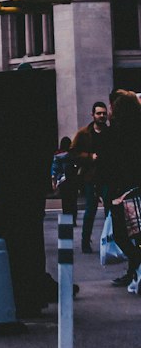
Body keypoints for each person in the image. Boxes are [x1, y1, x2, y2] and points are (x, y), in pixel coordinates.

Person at [98, 91, 141, 290]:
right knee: (137, 234)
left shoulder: (112, 132)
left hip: (120, 191)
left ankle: (135, 265)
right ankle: (134, 269)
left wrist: (102, 187)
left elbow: (106, 163)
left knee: (122, 234)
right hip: (136, 187)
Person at [70, 100, 111, 253]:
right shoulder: (84, 133)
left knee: (110, 212)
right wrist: (88, 157)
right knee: (90, 212)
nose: (102, 116)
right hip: (91, 178)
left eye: (104, 113)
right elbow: (72, 152)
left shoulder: (110, 132)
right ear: (92, 115)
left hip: (108, 177)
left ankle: (111, 242)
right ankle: (85, 242)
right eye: (99, 113)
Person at [50, 136, 79, 223]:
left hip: (63, 181)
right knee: (73, 200)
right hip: (72, 180)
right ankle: (74, 219)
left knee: (65, 202)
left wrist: (54, 182)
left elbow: (54, 169)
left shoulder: (57, 155)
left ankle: (67, 220)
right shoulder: (73, 155)